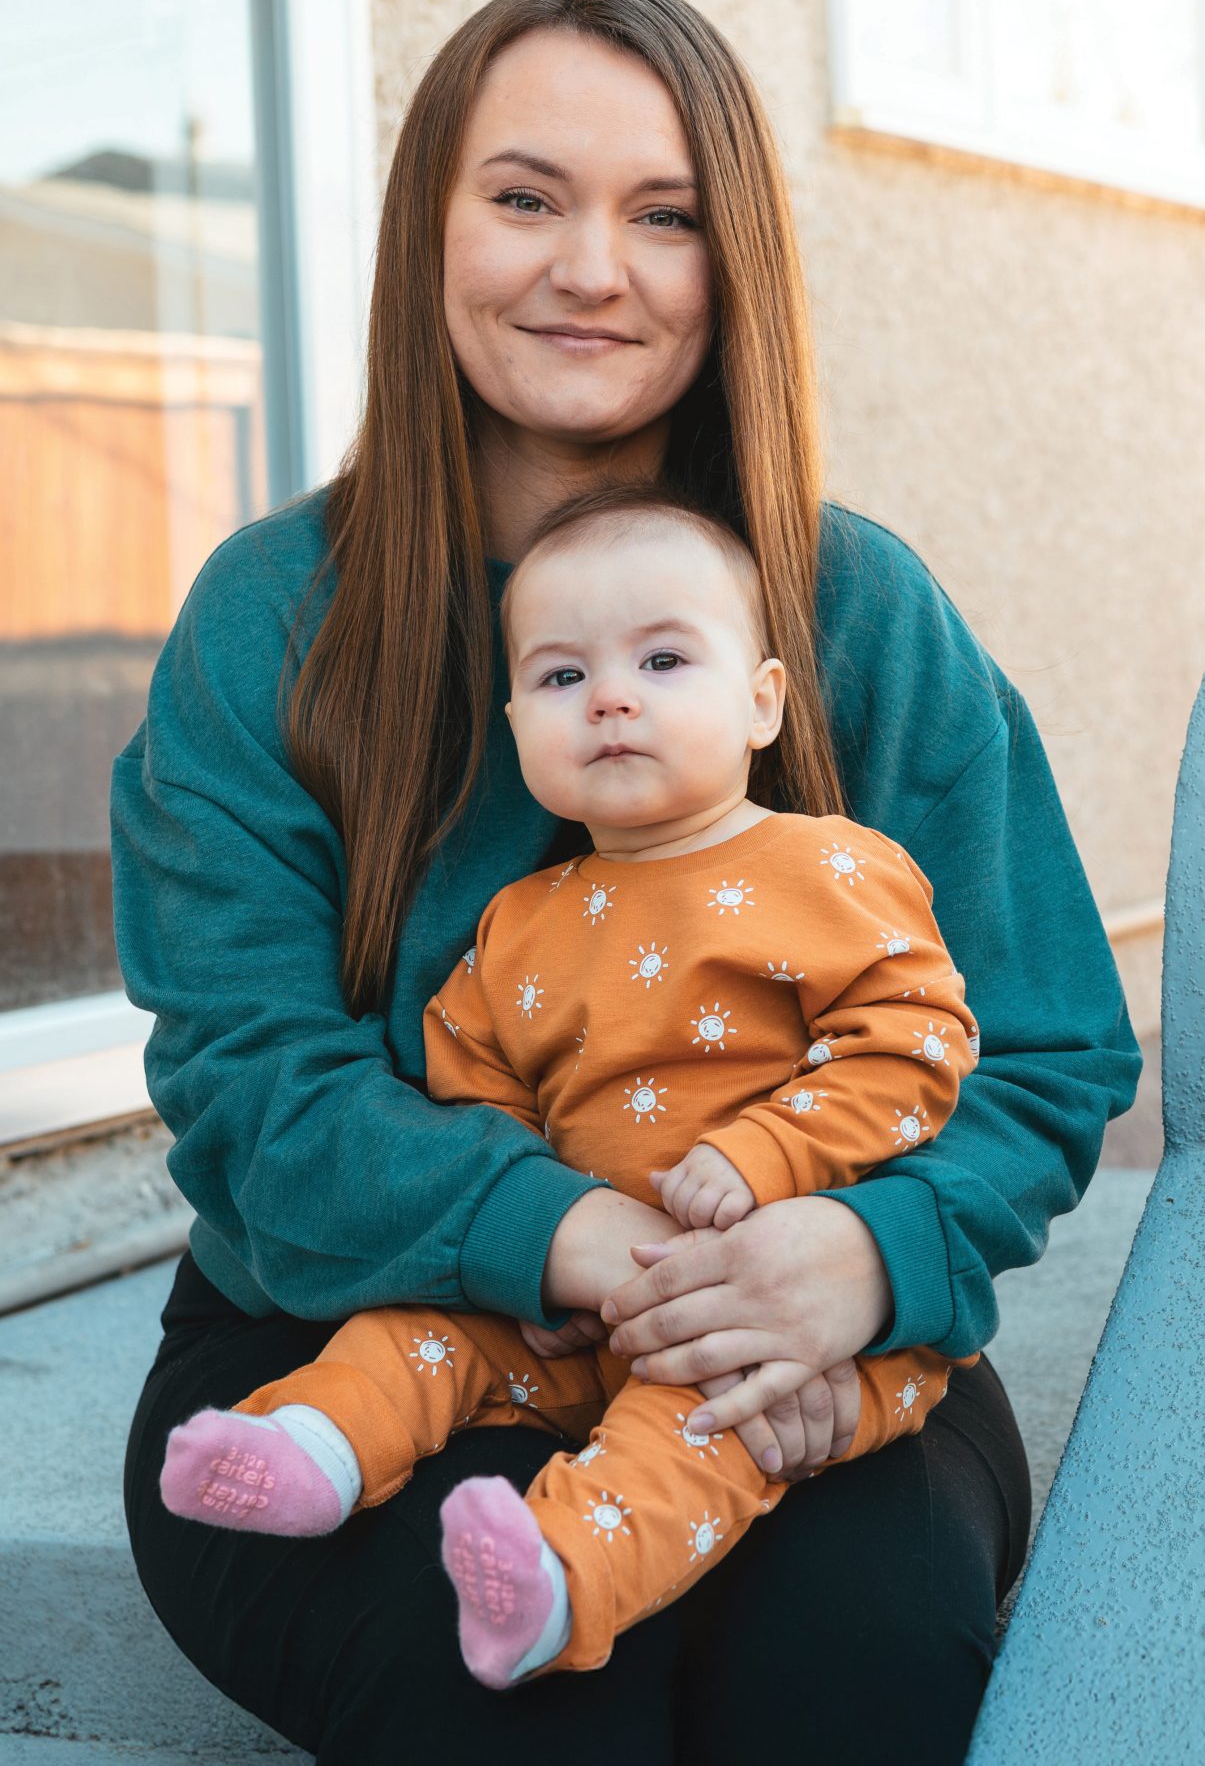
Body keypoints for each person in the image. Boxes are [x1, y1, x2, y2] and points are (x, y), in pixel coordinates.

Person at [113, 0, 1142, 1764]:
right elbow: (246, 1084)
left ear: (729, 261)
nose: (591, 266)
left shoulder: (854, 612)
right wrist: (578, 1236)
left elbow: (1047, 1045)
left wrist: (870, 1251)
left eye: (662, 215)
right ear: (428, 229)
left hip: (810, 1336)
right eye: (525, 197)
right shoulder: (274, 622)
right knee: (526, 1705)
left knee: (853, 1666)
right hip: (370, 1336)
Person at [154, 489, 986, 1690]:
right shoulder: (519, 926)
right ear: (516, 727)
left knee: (692, 1438)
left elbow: (918, 1047)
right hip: (564, 1309)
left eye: (661, 658)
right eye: (558, 678)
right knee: (417, 1339)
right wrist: (526, 1245)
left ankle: (552, 1588)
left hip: (772, 1316)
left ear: (762, 703)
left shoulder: (832, 870)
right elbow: (474, 1093)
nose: (609, 696)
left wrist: (770, 1162)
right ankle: (311, 1451)